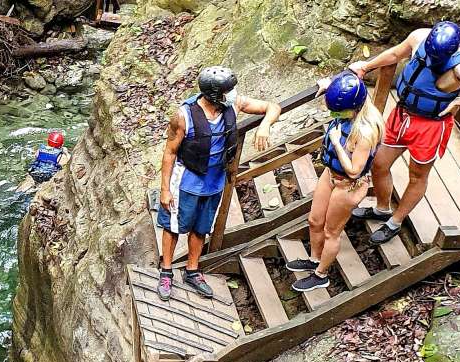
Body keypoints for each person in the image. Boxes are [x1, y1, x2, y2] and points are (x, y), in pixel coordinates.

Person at [348, 21, 460, 244]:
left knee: (417, 175)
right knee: (379, 163)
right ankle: (382, 209)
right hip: (402, 113)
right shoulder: (420, 37)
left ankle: (395, 221)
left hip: (430, 125)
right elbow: (395, 54)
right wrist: (367, 66)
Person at [157, 66, 281, 299]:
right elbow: (170, 153)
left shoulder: (232, 105)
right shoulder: (184, 116)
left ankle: (192, 271)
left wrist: (265, 125)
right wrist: (165, 190)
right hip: (186, 180)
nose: (233, 94)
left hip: (214, 181)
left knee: (201, 227)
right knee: (173, 225)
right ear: (215, 94)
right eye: (228, 91)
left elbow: (273, 107)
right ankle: (166, 272)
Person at [285, 72, 385, 292]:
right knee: (314, 220)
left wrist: (336, 144)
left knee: (332, 231)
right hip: (330, 175)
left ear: (355, 108)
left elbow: (353, 170)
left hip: (348, 185)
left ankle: (321, 274)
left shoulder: (365, 133)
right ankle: (313, 258)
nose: (334, 115)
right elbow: (349, 78)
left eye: (338, 112)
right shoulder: (352, 105)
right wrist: (326, 85)